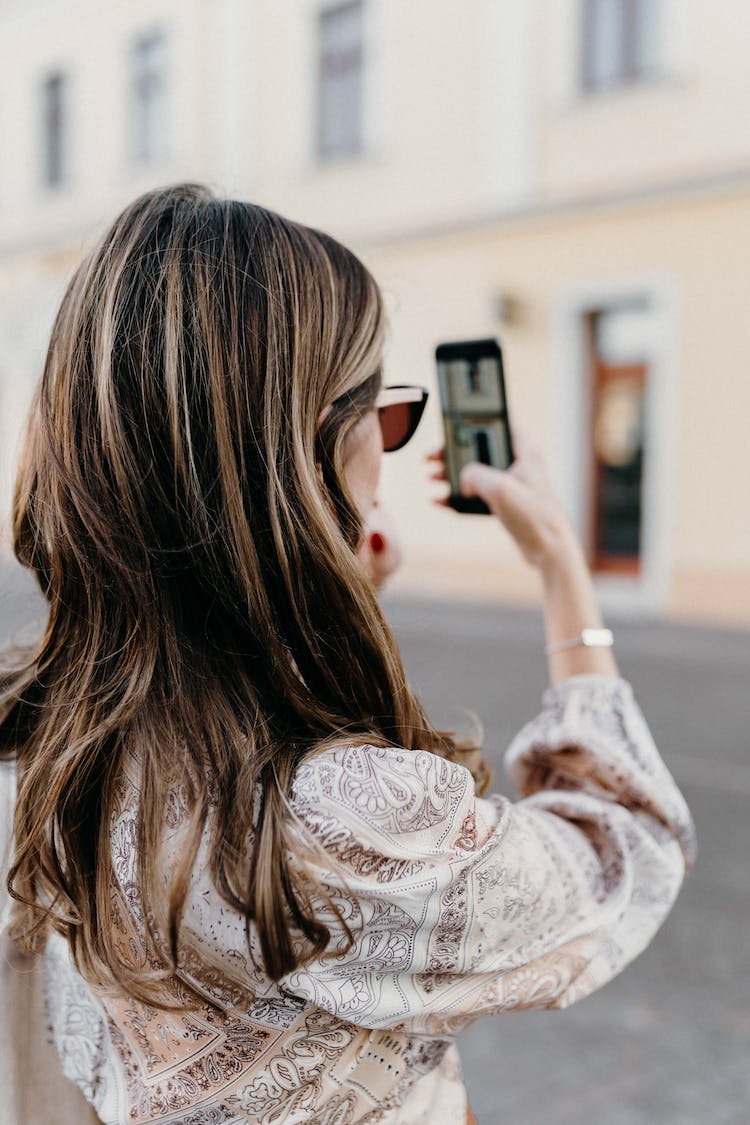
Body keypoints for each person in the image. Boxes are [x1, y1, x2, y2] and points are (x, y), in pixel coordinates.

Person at [0, 183, 696, 1125]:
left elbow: (205, 665)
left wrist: (327, 601)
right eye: (387, 412)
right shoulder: (344, 826)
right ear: (306, 455)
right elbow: (622, 849)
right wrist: (561, 564)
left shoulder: (41, 729)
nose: (389, 444)